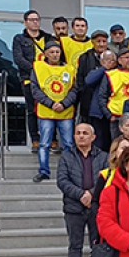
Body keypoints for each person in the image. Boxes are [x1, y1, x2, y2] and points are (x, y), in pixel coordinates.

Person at [56, 123, 109, 257]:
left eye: (85, 133)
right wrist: (81, 195)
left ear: (93, 137)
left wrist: (92, 195)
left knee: (98, 244)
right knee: (75, 244)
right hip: (73, 207)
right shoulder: (66, 156)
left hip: (96, 207)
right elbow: (62, 181)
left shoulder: (103, 157)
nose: (81, 136)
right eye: (78, 133)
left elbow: (107, 179)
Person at [30, 41, 79, 182]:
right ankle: (44, 171)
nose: (55, 55)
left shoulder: (70, 69)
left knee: (69, 144)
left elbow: (74, 89)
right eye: (51, 52)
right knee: (44, 144)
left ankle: (70, 172)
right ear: (45, 54)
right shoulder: (38, 67)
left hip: (66, 112)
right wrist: (51, 104)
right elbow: (35, 90)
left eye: (57, 52)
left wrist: (64, 103)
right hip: (46, 112)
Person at [13, 10, 55, 151]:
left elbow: (56, 56)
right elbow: (19, 59)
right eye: (31, 20)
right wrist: (37, 70)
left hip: (49, 79)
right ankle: (35, 140)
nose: (35, 22)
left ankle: (52, 139)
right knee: (32, 110)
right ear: (25, 22)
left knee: (50, 108)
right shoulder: (19, 39)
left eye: (37, 19)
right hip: (29, 79)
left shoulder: (48, 38)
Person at [97, 48, 129, 142]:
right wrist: (109, 115)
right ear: (119, 60)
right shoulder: (110, 74)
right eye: (127, 57)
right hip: (116, 118)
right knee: (118, 146)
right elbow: (102, 96)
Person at [84, 50, 118, 148]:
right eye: (107, 60)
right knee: (98, 142)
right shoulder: (97, 71)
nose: (110, 62)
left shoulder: (118, 73)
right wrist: (104, 69)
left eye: (112, 60)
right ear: (101, 61)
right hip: (98, 113)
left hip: (114, 112)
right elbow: (88, 81)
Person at [76, 30, 109, 123]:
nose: (101, 44)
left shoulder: (113, 57)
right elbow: (80, 79)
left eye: (104, 41)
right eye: (98, 41)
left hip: (107, 101)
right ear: (92, 42)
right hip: (89, 100)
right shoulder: (85, 57)